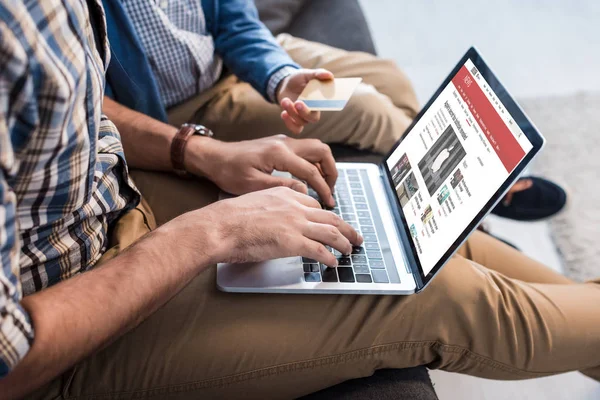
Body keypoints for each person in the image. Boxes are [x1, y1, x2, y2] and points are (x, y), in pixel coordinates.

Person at [2, 1, 598, 400]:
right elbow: (11, 356)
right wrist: (206, 234)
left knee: (400, 222)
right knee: (437, 295)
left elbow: (83, 107)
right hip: (66, 329)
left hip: (116, 201)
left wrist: (197, 153)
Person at [101, 0, 566, 222]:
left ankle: (431, 192)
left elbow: (234, 20)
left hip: (236, 63)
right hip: (182, 108)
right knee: (369, 109)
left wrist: (280, 76)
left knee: (387, 77)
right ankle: (466, 209)